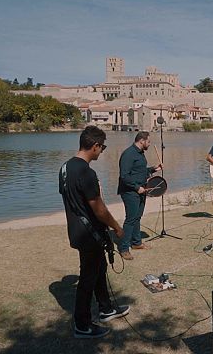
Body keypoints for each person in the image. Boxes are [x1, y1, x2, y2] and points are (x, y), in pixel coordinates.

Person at [59, 126, 130, 338]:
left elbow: (72, 200)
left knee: (99, 271)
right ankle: (82, 324)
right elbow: (98, 208)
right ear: (95, 145)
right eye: (103, 147)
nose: (102, 151)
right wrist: (117, 227)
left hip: (78, 231)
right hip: (90, 234)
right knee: (88, 278)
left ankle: (106, 308)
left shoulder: (65, 168)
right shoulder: (86, 172)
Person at [117, 131, 162, 260]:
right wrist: (137, 188)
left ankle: (136, 243)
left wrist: (153, 169)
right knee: (131, 219)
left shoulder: (140, 154)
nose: (149, 144)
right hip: (130, 191)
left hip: (142, 190)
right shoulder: (128, 154)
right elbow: (124, 176)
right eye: (148, 141)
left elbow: (140, 171)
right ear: (141, 141)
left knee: (137, 217)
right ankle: (124, 248)